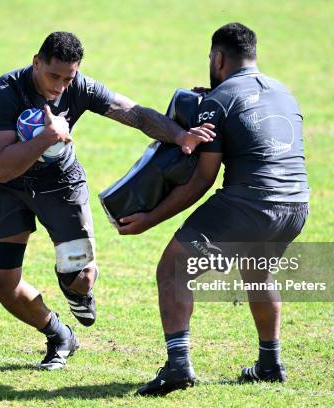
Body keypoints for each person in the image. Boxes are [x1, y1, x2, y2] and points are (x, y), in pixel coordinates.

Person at [0, 31, 216, 371]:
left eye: (68, 78)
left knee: (83, 275)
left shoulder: (79, 88)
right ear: (36, 62)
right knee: (1, 282)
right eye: (53, 75)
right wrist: (49, 135)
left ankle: (72, 284)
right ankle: (58, 333)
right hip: (9, 189)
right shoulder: (5, 93)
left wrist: (180, 135)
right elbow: (1, 169)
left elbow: (133, 113)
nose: (60, 86)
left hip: (60, 184)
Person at [116, 23, 310, 395]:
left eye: (210, 58)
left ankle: (177, 366)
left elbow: (202, 180)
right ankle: (269, 363)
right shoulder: (284, 93)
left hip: (249, 206)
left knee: (173, 268)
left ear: (218, 58)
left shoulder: (218, 101)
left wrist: (149, 220)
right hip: (296, 206)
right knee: (259, 272)